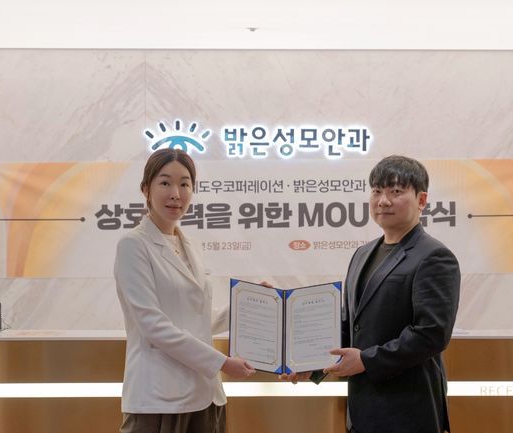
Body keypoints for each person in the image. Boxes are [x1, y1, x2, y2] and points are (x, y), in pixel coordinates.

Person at [285, 155, 460, 433]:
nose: (383, 201)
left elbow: (432, 333)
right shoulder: (362, 253)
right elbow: (350, 326)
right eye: (377, 191)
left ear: (422, 200)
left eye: (396, 191)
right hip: (362, 412)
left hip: (409, 411)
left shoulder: (434, 256)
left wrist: (366, 361)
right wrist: (311, 363)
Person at [114, 148, 255, 433]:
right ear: (146, 189)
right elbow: (153, 325)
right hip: (159, 399)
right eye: (165, 183)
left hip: (205, 396)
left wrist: (250, 303)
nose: (175, 194)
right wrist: (222, 362)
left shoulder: (189, 245)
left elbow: (197, 318)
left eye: (184, 184)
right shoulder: (133, 245)